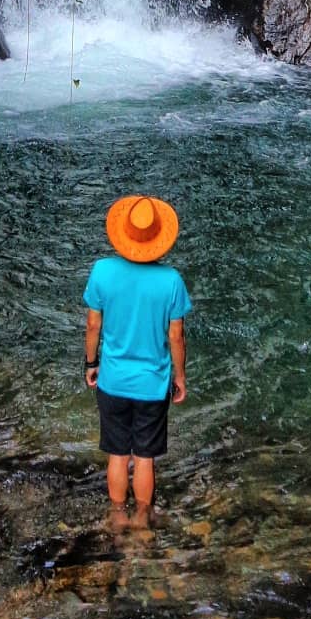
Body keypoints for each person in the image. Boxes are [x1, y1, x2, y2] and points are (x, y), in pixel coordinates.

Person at [83, 195, 191, 521]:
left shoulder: (101, 271)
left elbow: (93, 325)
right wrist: (180, 376)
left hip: (113, 379)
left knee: (117, 455)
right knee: (144, 458)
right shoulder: (171, 280)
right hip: (152, 383)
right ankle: (142, 520)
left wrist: (91, 364)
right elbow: (175, 336)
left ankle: (117, 517)